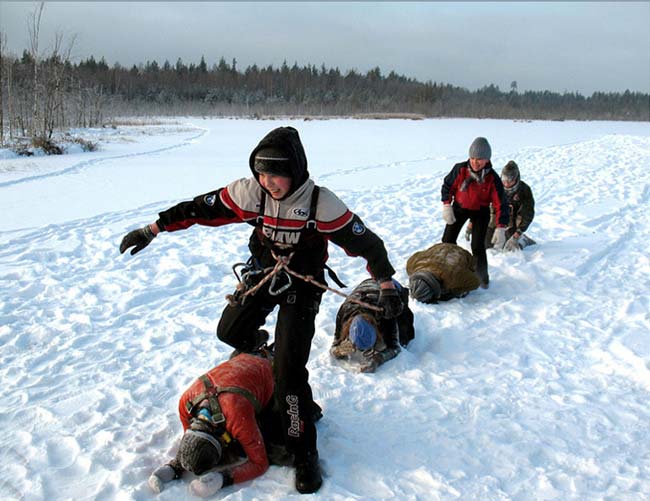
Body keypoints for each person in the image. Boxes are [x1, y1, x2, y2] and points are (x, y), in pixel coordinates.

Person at [120, 126, 402, 494]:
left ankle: (304, 453)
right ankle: (262, 353)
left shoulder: (321, 204)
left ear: (296, 169)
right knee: (230, 333)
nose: (269, 182)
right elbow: (199, 208)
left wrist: (385, 283)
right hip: (265, 274)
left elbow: (368, 243)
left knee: (289, 375)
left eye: (277, 173)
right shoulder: (251, 193)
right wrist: (153, 228)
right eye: (262, 173)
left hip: (302, 286)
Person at [147, 351, 278, 497]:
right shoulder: (186, 404)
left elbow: (260, 463)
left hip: (268, 371)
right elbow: (191, 442)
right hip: (241, 362)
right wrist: (175, 466)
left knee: (274, 444)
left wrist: (223, 478)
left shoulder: (238, 418)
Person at [440, 137, 508, 288]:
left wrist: (501, 227)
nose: (475, 162)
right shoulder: (460, 169)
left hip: (480, 211)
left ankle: (482, 278)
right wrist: (446, 205)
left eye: (479, 159)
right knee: (447, 239)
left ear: (487, 160)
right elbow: (448, 186)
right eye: (472, 158)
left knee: (477, 245)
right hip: (459, 207)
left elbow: (500, 203)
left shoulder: (492, 178)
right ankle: (447, 270)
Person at [330, 279, 414, 373]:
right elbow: (335, 344)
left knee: (404, 338)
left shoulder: (386, 313)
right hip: (366, 286)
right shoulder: (344, 311)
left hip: (390, 287)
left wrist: (378, 359)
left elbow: (395, 347)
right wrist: (338, 350)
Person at [485, 160, 536, 251]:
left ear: (516, 179)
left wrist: (516, 235)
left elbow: (527, 215)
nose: (506, 183)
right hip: (497, 221)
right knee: (487, 245)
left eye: (510, 180)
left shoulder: (524, 190)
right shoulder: (496, 187)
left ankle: (523, 239)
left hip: (513, 224)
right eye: (504, 180)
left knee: (510, 249)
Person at [406, 242, 481, 303]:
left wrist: (453, 291)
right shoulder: (411, 266)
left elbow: (475, 283)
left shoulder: (453, 278)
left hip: (461, 254)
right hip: (440, 248)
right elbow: (417, 254)